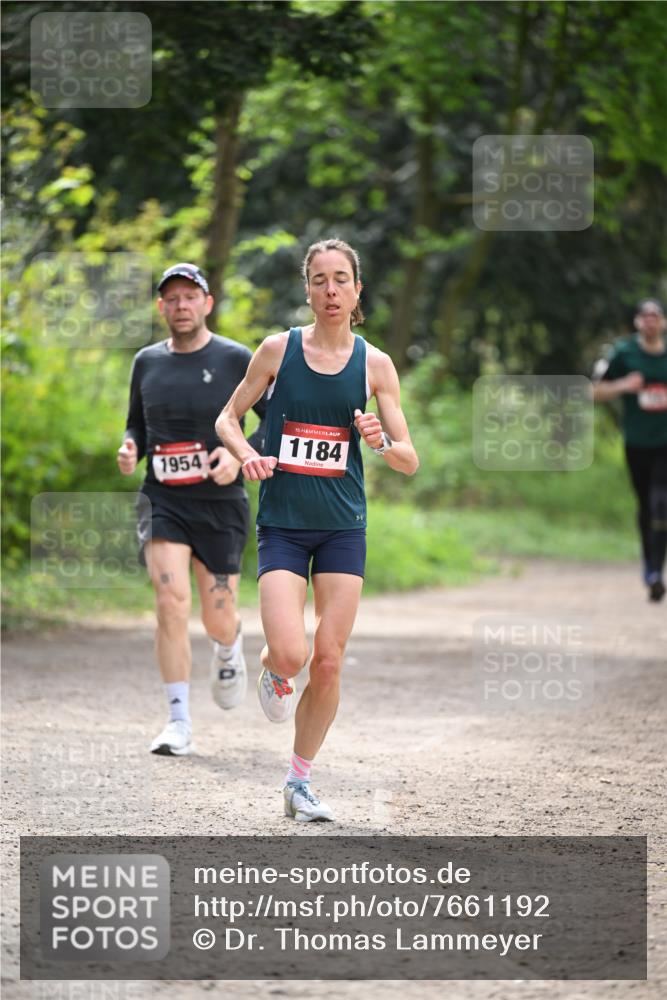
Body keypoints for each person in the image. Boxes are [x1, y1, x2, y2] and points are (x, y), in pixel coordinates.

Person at [216, 238, 419, 822]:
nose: (331, 291)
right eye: (320, 280)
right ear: (307, 290)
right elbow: (228, 418)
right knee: (290, 652)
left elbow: (409, 457)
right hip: (283, 524)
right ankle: (272, 667)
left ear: (358, 291)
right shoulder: (278, 350)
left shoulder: (375, 365)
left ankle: (298, 782)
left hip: (341, 529)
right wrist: (247, 454)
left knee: (328, 660)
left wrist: (381, 440)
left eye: (341, 280)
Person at [117, 263, 266, 755]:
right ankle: (178, 721)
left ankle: (228, 646)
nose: (181, 306)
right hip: (164, 499)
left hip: (221, 505)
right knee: (170, 604)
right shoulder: (146, 361)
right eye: (171, 299)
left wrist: (239, 452)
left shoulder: (235, 358)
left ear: (207, 303)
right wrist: (130, 445)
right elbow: (137, 424)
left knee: (217, 614)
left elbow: (274, 422)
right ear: (161, 307)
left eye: (189, 297)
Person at [593, 298, 667, 602]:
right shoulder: (624, 353)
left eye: (655, 316)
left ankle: (656, 571)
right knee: (646, 506)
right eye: (644, 316)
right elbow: (594, 391)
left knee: (661, 502)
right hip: (637, 442)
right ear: (637, 322)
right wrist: (624, 385)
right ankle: (649, 566)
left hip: (666, 442)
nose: (650, 321)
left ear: (662, 322)